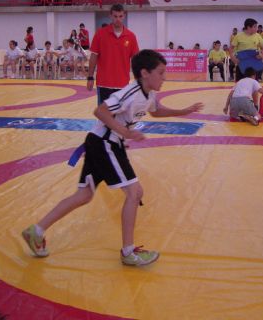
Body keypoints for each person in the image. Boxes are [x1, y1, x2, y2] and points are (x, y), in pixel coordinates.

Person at [21, 50, 203, 265]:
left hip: (100, 142)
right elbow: (100, 111)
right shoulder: (129, 93)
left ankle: (37, 230)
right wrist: (125, 132)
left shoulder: (148, 94)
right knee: (134, 192)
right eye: (161, 73)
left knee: (84, 195)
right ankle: (128, 252)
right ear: (145, 73)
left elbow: (156, 111)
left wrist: (184, 111)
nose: (164, 77)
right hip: (105, 144)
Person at [86, 4, 140, 104]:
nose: (118, 19)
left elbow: (135, 60)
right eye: (115, 16)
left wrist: (138, 81)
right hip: (103, 84)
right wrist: (90, 77)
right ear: (110, 16)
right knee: (104, 117)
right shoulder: (100, 34)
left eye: (120, 16)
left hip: (123, 85)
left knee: (120, 118)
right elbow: (93, 56)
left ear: (124, 16)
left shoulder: (131, 36)